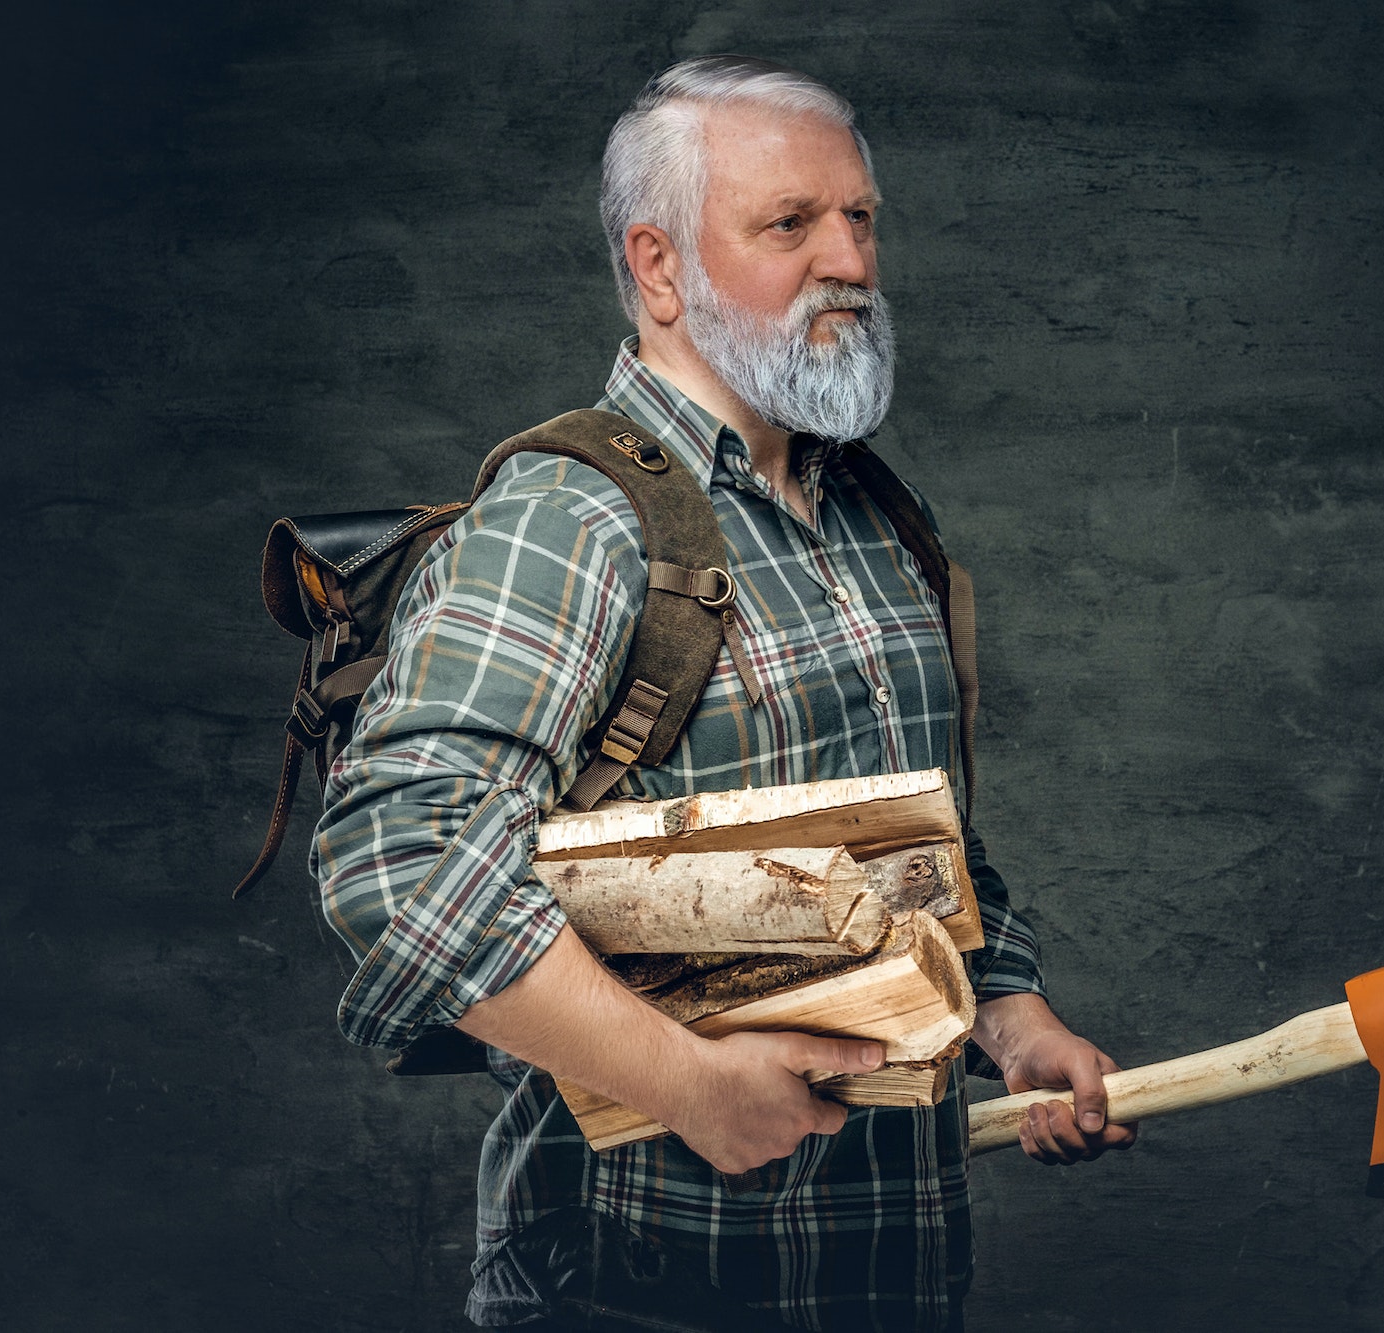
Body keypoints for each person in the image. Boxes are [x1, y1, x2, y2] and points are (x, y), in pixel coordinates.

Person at [312, 55, 1133, 1332]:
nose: (849, 261)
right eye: (788, 225)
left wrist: (1012, 1025)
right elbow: (398, 854)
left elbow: (906, 855)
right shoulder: (570, 519)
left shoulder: (864, 509)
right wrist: (684, 1081)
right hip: (635, 1284)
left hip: (885, 1269)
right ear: (657, 270)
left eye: (859, 218)